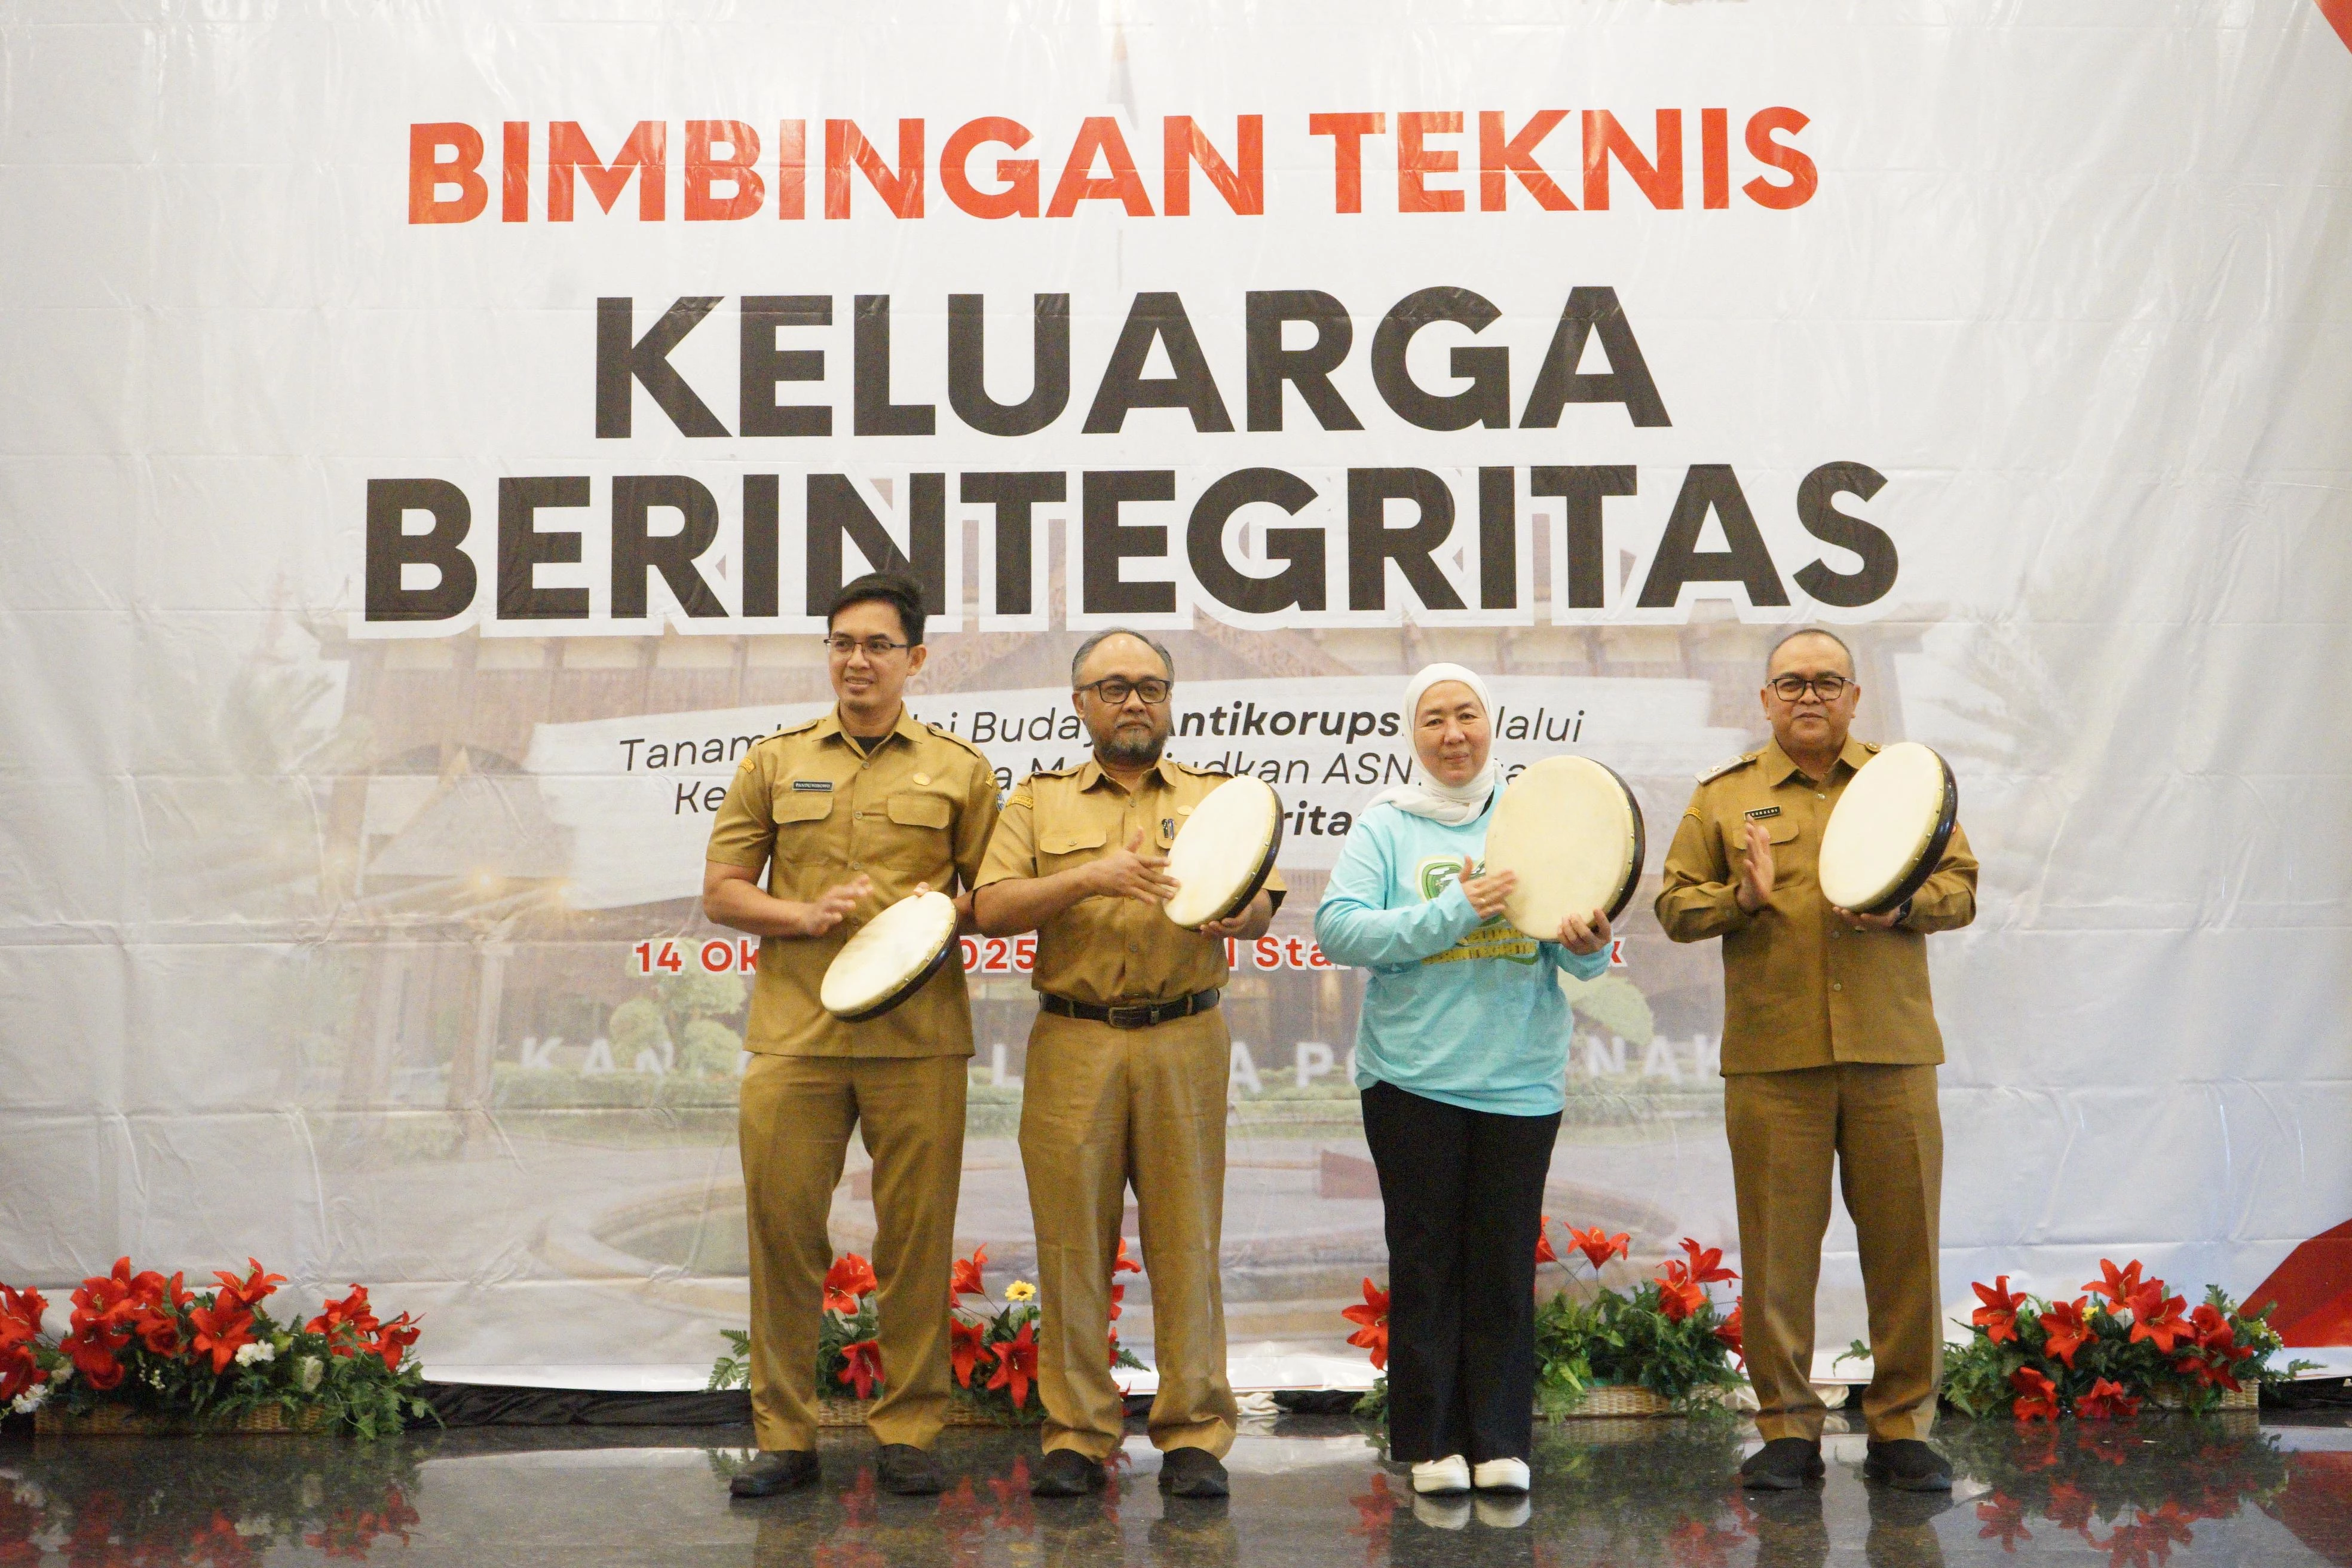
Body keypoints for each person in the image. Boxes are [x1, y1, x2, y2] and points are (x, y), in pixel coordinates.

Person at [701, 572, 1001, 1499]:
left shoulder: (960, 769)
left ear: (914, 659)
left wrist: (940, 913)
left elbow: (994, 897)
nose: (857, 660)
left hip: (920, 1043)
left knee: (916, 1239)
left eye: (877, 645)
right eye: (842, 643)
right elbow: (721, 892)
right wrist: (801, 915)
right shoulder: (774, 762)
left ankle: (909, 1431)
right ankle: (784, 1435)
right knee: (783, 1234)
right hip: (796, 1039)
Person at [1656, 629, 1977, 1494]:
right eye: (1791, 682)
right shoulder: (1725, 798)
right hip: (1773, 1060)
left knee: (1905, 1248)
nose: (1809, 696)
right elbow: (1674, 907)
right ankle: (1787, 1430)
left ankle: (1902, 1426)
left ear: (1855, 696)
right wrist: (1742, 897)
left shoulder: (1902, 786)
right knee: (1776, 1257)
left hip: (1892, 1053)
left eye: (1828, 682)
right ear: (1763, 698)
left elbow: (1962, 889)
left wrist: (1904, 903)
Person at [970, 629, 1280, 1500]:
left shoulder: (1219, 797)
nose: (1134, 701)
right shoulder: (1036, 801)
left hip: (1187, 1034)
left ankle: (1193, 1435)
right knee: (1071, 1242)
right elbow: (990, 906)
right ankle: (1077, 1433)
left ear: (1171, 699)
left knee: (1189, 1239)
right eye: (1112, 687)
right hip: (1076, 1036)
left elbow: (1262, 902)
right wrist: (1092, 878)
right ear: (1081, 704)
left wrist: (1240, 914)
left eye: (1150, 686)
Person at [1313, 663, 1615, 1498]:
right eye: (1435, 720)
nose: (1453, 735)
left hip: (1520, 1083)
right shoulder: (1388, 827)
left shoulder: (1534, 819)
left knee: (1503, 1264)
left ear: (1492, 725)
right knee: (1426, 1262)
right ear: (1415, 735)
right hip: (1411, 1081)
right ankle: (1431, 1443)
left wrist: (1589, 941)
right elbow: (1339, 930)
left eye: (1467, 716)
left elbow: (1573, 947)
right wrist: (1458, 908)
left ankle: (1501, 1440)